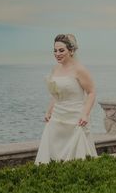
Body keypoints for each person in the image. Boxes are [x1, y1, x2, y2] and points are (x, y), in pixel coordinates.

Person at [35, 34, 98, 164]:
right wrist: (49, 111)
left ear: (71, 51)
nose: (57, 53)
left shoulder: (80, 70)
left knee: (78, 157)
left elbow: (91, 92)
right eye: (55, 50)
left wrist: (85, 114)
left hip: (76, 118)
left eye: (61, 50)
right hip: (57, 118)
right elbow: (56, 94)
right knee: (53, 155)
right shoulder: (55, 69)